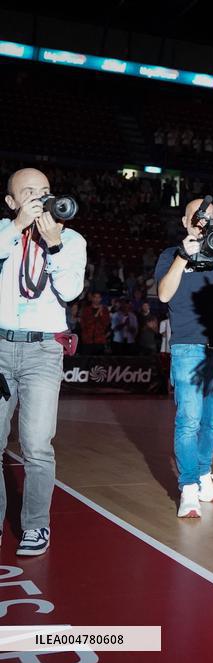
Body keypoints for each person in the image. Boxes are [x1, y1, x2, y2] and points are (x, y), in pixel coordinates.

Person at [0, 167, 87, 555]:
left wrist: (54, 247)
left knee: (37, 444)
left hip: (42, 351)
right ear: (12, 201)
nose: (39, 199)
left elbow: (69, 291)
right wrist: (17, 226)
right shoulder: (5, 232)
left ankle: (36, 525)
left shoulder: (70, 239)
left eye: (45, 191)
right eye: (29, 193)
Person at [155, 198, 213, 518]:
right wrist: (184, 255)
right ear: (185, 222)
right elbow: (164, 294)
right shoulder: (170, 255)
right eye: (196, 217)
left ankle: (204, 471)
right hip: (187, 347)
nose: (203, 222)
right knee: (189, 419)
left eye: (208, 217)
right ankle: (188, 486)